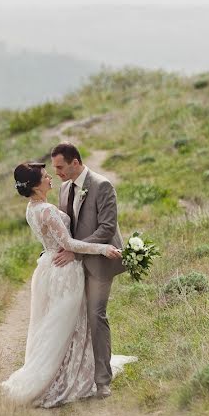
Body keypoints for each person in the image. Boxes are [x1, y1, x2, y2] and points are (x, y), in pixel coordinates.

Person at [0, 161, 135, 408]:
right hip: (65, 271)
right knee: (71, 324)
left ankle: (70, 368)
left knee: (56, 325)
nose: (50, 178)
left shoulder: (32, 208)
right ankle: (64, 378)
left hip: (50, 266)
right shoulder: (47, 211)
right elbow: (70, 245)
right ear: (36, 185)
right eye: (45, 175)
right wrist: (103, 248)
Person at [50, 142, 127, 399]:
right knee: (74, 320)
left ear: (75, 162)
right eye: (55, 168)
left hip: (100, 264)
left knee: (96, 317)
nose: (57, 172)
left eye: (60, 167)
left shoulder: (102, 185)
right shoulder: (63, 189)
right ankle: (76, 378)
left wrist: (77, 251)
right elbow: (65, 228)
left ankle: (103, 380)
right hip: (74, 266)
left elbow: (106, 228)